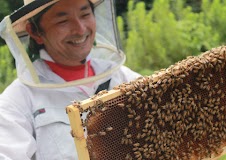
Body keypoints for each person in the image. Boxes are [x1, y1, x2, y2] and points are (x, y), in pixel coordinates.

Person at [0, 0, 140, 159]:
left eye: (85, 14)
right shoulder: (17, 102)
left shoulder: (126, 79)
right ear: (35, 32)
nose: (80, 30)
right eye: (63, 21)